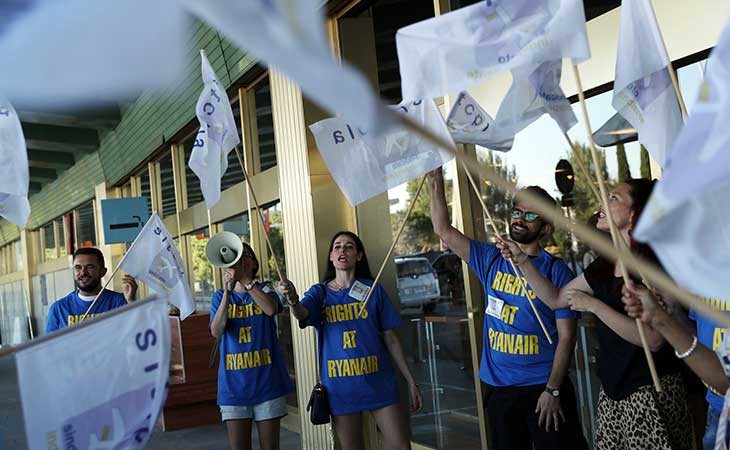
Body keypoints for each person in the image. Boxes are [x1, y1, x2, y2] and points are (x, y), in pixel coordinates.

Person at [497, 179, 692, 450]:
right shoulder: (604, 265)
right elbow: (556, 299)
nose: (602, 202)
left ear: (635, 215)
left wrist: (594, 305)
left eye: (613, 198)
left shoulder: (655, 265)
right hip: (612, 391)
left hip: (650, 392)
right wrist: (521, 261)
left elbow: (654, 339)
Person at [428, 168, 586, 450]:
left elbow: (567, 337)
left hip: (543, 388)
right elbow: (443, 230)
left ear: (546, 227)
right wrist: (436, 179)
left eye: (530, 215)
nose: (520, 219)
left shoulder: (556, 271)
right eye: (517, 212)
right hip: (500, 388)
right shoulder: (491, 257)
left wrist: (553, 389)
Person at [280, 231, 422, 450]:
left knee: (401, 446)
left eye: (349, 247)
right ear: (330, 257)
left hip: (379, 383)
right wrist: (293, 300)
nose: (342, 251)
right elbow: (302, 314)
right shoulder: (321, 293)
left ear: (359, 256)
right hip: (340, 388)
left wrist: (411, 380)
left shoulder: (373, 290)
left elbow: (391, 339)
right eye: (337, 247)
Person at [209, 241, 293, 450]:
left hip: (267, 385)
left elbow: (271, 309)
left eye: (245, 255)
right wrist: (228, 293)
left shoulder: (266, 289)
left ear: (253, 262)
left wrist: (247, 283)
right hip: (233, 387)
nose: (240, 260)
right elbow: (216, 330)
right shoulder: (220, 296)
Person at [623, 285, 730, 450]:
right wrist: (673, 313)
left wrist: (661, 319)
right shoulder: (707, 277)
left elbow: (727, 383)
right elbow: (697, 336)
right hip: (716, 407)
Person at [46, 247, 137, 333]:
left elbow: (136, 333)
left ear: (103, 272)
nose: (83, 272)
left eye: (90, 267)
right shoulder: (59, 308)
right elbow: (49, 346)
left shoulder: (120, 301)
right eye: (78, 267)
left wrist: (131, 302)